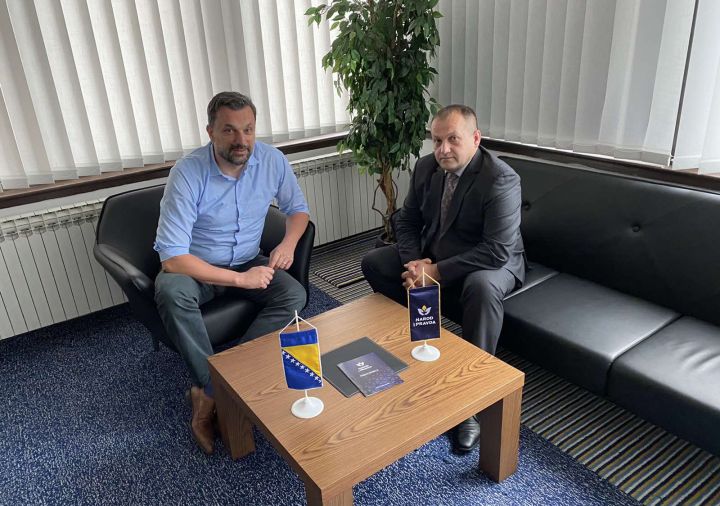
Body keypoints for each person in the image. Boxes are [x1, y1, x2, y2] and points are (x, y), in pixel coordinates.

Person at [361, 104, 525, 453]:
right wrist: (415, 264)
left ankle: (471, 402)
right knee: (375, 262)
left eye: (453, 139)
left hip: (490, 261)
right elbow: (406, 221)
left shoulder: (501, 179)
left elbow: (496, 250)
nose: (443, 149)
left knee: (481, 289)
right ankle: (418, 342)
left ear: (476, 138)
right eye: (437, 140)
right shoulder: (426, 167)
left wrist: (435, 271)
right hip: (435, 254)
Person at [153, 92, 310, 454]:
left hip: (248, 259)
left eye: (248, 129)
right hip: (197, 269)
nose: (241, 140)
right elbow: (172, 258)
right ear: (210, 131)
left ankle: (215, 389)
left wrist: (288, 244)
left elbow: (298, 210)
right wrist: (241, 279)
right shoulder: (187, 173)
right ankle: (219, 387)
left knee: (294, 294)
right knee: (170, 291)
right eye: (229, 130)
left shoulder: (272, 160)